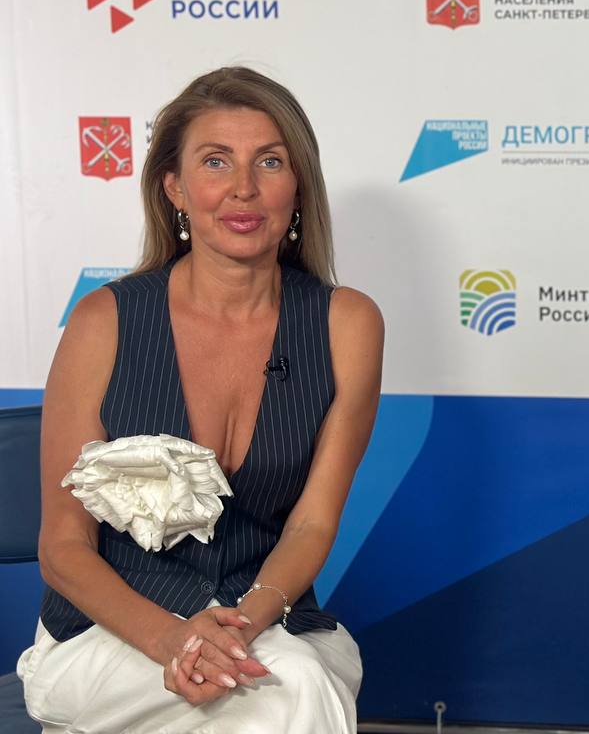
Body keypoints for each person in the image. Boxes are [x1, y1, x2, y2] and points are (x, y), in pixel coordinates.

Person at [18, 67, 384, 733]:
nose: (243, 188)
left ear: (298, 185)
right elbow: (63, 546)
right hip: (111, 634)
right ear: (175, 188)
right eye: (216, 161)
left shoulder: (346, 324)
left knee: (287, 679)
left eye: (269, 161)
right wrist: (173, 641)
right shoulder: (104, 321)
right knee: (291, 693)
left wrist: (236, 629)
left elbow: (311, 525)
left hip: (262, 622)